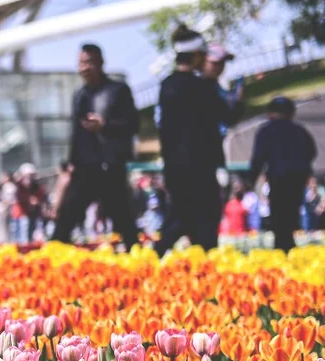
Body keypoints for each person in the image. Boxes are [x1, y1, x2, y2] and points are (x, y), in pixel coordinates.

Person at [155, 26, 244, 254]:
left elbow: (164, 130)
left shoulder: (167, 86)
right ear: (196, 55)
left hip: (175, 168)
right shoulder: (202, 87)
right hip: (202, 167)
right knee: (204, 220)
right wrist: (238, 97)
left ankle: (157, 255)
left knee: (179, 218)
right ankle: (200, 265)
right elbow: (228, 116)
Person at [52, 44, 139, 248]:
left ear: (100, 63)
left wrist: (105, 125)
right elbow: (77, 133)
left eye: (90, 62)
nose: (85, 68)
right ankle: (52, 259)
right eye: (82, 63)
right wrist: (70, 164)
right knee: (65, 219)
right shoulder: (80, 95)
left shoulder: (118, 91)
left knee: (123, 218)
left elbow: (132, 124)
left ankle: (138, 259)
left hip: (110, 166)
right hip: (84, 168)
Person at [250, 96, 317, 251]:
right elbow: (311, 152)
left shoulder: (266, 130)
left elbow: (258, 158)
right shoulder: (300, 131)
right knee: (292, 213)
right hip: (296, 179)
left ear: (270, 112)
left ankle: (282, 246)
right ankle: (288, 244)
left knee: (279, 216)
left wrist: (252, 179)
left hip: (278, 179)